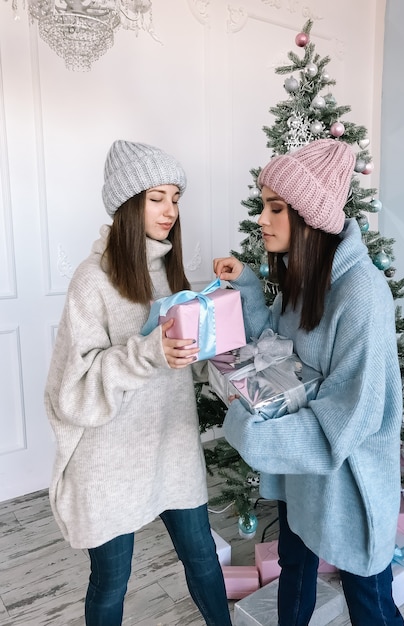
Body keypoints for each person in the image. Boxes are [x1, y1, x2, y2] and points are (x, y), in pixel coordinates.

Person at [213, 139, 404, 626]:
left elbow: (351, 415)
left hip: (350, 482)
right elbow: (275, 352)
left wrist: (255, 434)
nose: (261, 219)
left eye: (275, 208)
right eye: (263, 206)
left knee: (370, 600)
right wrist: (253, 290)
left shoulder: (363, 295)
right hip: (303, 477)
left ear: (309, 217)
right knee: (295, 566)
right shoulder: (304, 278)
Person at [45, 139, 232, 626]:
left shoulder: (173, 275)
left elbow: (187, 364)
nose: (170, 210)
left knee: (203, 559)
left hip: (170, 445)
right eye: (157, 198)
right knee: (111, 583)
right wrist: (151, 352)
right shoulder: (92, 281)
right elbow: (74, 391)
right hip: (108, 461)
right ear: (129, 205)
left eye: (176, 198)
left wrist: (218, 327)